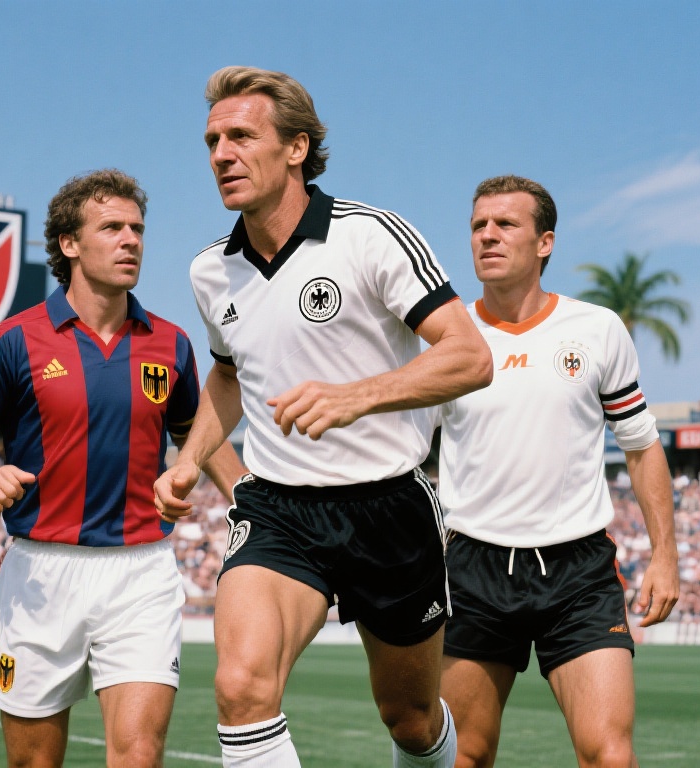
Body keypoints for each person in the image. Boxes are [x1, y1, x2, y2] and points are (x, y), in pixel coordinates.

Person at [154, 66, 493, 768]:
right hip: (279, 510)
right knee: (241, 687)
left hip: (390, 507)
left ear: (297, 147)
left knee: (409, 718)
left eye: (241, 136)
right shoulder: (210, 272)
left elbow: (470, 356)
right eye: (213, 141)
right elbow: (228, 375)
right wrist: (189, 460)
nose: (221, 154)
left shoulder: (371, 236)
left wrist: (355, 396)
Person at [0, 169, 245, 768]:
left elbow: (197, 435)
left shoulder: (171, 343)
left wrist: (248, 498)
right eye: (112, 228)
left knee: (139, 754)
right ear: (69, 243)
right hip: (39, 576)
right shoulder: (12, 341)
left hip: (142, 571)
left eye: (137, 229)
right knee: (34, 763)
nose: (131, 241)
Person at [437, 175, 680, 767]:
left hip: (579, 572)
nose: (487, 236)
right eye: (478, 225)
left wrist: (665, 555)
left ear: (545, 242)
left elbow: (642, 446)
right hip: (472, 569)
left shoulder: (596, 329)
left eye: (505, 224)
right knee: (465, 755)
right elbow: (407, 457)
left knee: (609, 756)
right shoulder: (445, 338)